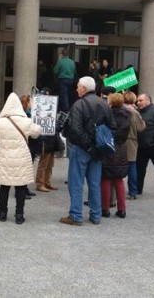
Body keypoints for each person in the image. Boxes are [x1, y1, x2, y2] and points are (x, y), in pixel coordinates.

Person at [59, 76, 116, 226]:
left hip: (81, 149)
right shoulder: (104, 104)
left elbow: (76, 130)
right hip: (98, 150)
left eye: (78, 86)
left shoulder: (79, 104)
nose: (76, 89)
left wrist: (88, 146)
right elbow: (112, 127)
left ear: (83, 88)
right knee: (94, 183)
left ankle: (76, 215)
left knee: (76, 183)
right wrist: (97, 146)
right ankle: (96, 215)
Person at [0, 93, 42, 224]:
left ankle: (2, 213)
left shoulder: (1, 122)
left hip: (4, 159)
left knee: (4, 187)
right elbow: (37, 132)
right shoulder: (26, 121)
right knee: (20, 188)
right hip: (21, 159)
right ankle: (19, 215)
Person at [101, 93, 131, 218]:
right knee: (119, 180)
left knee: (106, 179)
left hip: (108, 147)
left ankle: (105, 208)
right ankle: (122, 209)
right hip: (121, 147)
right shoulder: (127, 116)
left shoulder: (106, 115)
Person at [19, 94, 52, 195]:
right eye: (31, 101)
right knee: (24, 168)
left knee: (28, 167)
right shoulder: (25, 115)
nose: (33, 103)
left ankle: (25, 189)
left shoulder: (31, 113)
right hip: (28, 144)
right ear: (27, 103)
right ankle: (21, 190)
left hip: (33, 144)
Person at [123, 91, 146, 200]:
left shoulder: (118, 109)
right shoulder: (134, 112)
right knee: (132, 166)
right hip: (131, 141)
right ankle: (132, 191)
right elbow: (141, 128)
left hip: (119, 141)